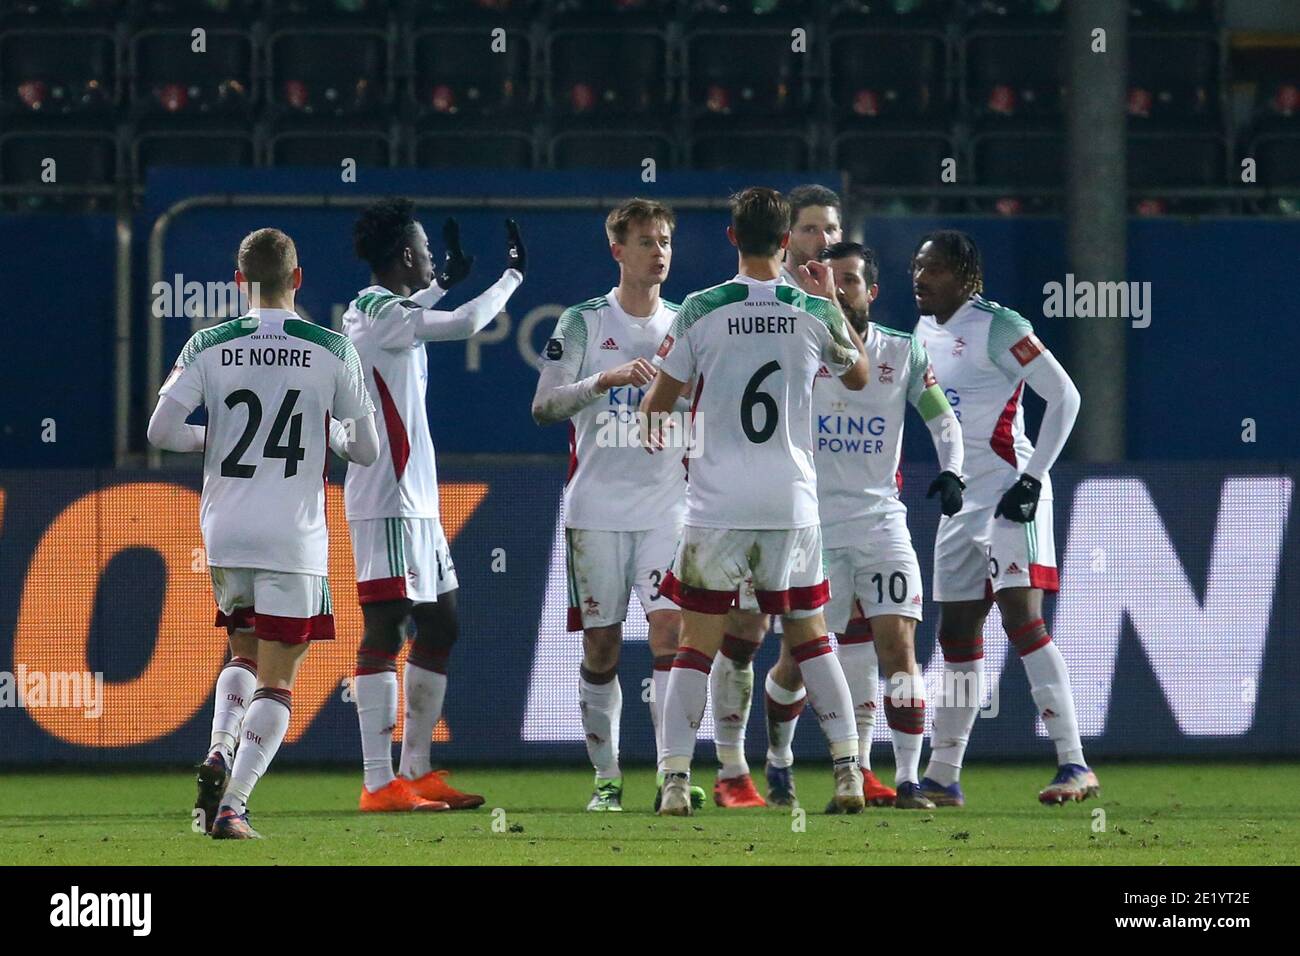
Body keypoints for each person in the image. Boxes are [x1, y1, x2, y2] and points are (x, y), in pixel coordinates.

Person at [642, 187, 871, 816]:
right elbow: (860, 376)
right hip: (792, 503)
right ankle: (849, 771)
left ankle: (673, 783)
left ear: (731, 237)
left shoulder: (699, 308)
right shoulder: (810, 310)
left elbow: (656, 405)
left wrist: (682, 420)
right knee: (812, 639)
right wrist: (828, 301)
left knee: (696, 645)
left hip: (717, 503)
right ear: (786, 240)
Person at [715, 241, 966, 811]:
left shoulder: (902, 353)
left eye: (850, 280)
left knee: (898, 648)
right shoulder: (798, 347)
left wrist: (953, 472)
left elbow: (944, 422)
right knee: (798, 661)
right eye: (829, 280)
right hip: (812, 527)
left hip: (881, 522)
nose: (839, 289)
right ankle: (778, 758)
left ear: (871, 292)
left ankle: (907, 780)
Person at [149, 227, 379, 839]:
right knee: (279, 675)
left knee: (241, 651)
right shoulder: (330, 348)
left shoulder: (209, 343)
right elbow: (368, 447)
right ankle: (234, 805)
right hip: (292, 535)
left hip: (225, 532)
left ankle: (221, 745)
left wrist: (214, 440)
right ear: (297, 280)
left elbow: (160, 431)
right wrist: (326, 436)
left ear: (238, 283)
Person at [334, 199, 524, 812]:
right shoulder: (371, 312)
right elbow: (467, 324)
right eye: (426, 251)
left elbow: (416, 310)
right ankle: (376, 781)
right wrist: (512, 277)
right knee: (386, 627)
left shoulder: (386, 312)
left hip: (416, 502)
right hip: (386, 498)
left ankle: (414, 769)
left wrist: (443, 282)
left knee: (442, 623)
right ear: (405, 256)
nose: (433, 258)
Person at [910, 230, 1098, 806]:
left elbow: (1065, 397)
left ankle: (1074, 763)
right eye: (917, 267)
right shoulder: (921, 333)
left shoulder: (1000, 326)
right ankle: (943, 776)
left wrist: (1033, 477)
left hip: (1012, 494)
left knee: (1021, 615)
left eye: (934, 268)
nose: (920, 278)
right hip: (961, 503)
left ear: (966, 275)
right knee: (957, 634)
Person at [531, 197, 704, 812]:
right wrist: (601, 382)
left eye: (665, 241)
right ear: (618, 251)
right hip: (596, 510)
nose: (659, 252)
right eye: (646, 242)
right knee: (601, 646)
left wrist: (680, 409)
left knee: (670, 634)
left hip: (668, 509)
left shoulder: (690, 323)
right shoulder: (581, 323)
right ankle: (606, 778)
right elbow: (543, 407)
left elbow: (710, 411)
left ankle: (671, 777)